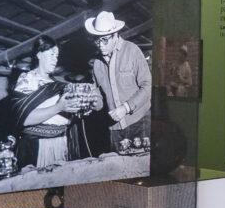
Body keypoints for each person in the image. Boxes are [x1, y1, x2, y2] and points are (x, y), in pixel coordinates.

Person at [10, 36, 81, 170]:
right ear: (39, 54)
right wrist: (59, 107)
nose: (55, 59)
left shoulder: (57, 83)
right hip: (38, 147)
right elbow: (24, 118)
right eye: (51, 54)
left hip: (61, 144)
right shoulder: (28, 79)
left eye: (57, 56)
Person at [85, 11, 151, 152]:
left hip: (139, 122)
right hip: (115, 129)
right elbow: (99, 100)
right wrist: (91, 102)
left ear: (115, 35)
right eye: (97, 40)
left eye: (104, 40)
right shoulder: (97, 64)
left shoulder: (132, 51)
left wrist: (126, 107)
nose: (100, 45)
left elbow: (148, 86)